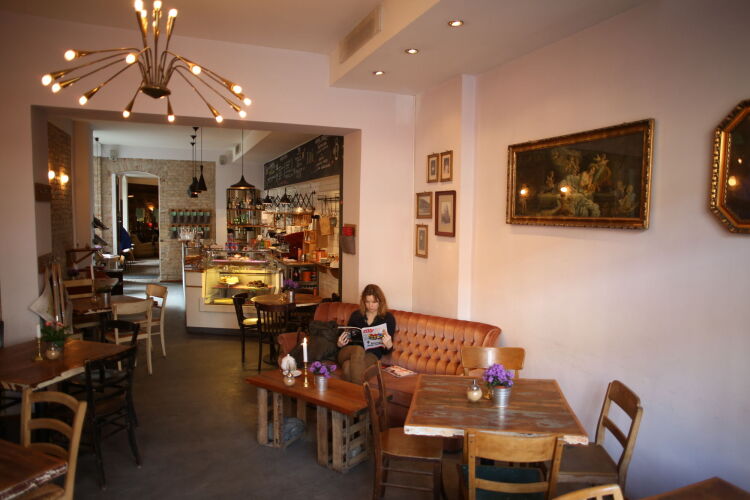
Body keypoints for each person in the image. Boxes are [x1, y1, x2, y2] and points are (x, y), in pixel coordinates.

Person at [336, 284, 395, 384]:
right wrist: (339, 344)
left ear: (380, 301)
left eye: (374, 302)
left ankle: (353, 393)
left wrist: (389, 345)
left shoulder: (388, 318)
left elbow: (386, 351)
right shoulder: (356, 315)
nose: (370, 305)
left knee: (347, 367)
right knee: (358, 349)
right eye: (367, 302)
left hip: (371, 355)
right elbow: (348, 336)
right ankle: (360, 392)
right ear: (363, 302)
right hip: (348, 351)